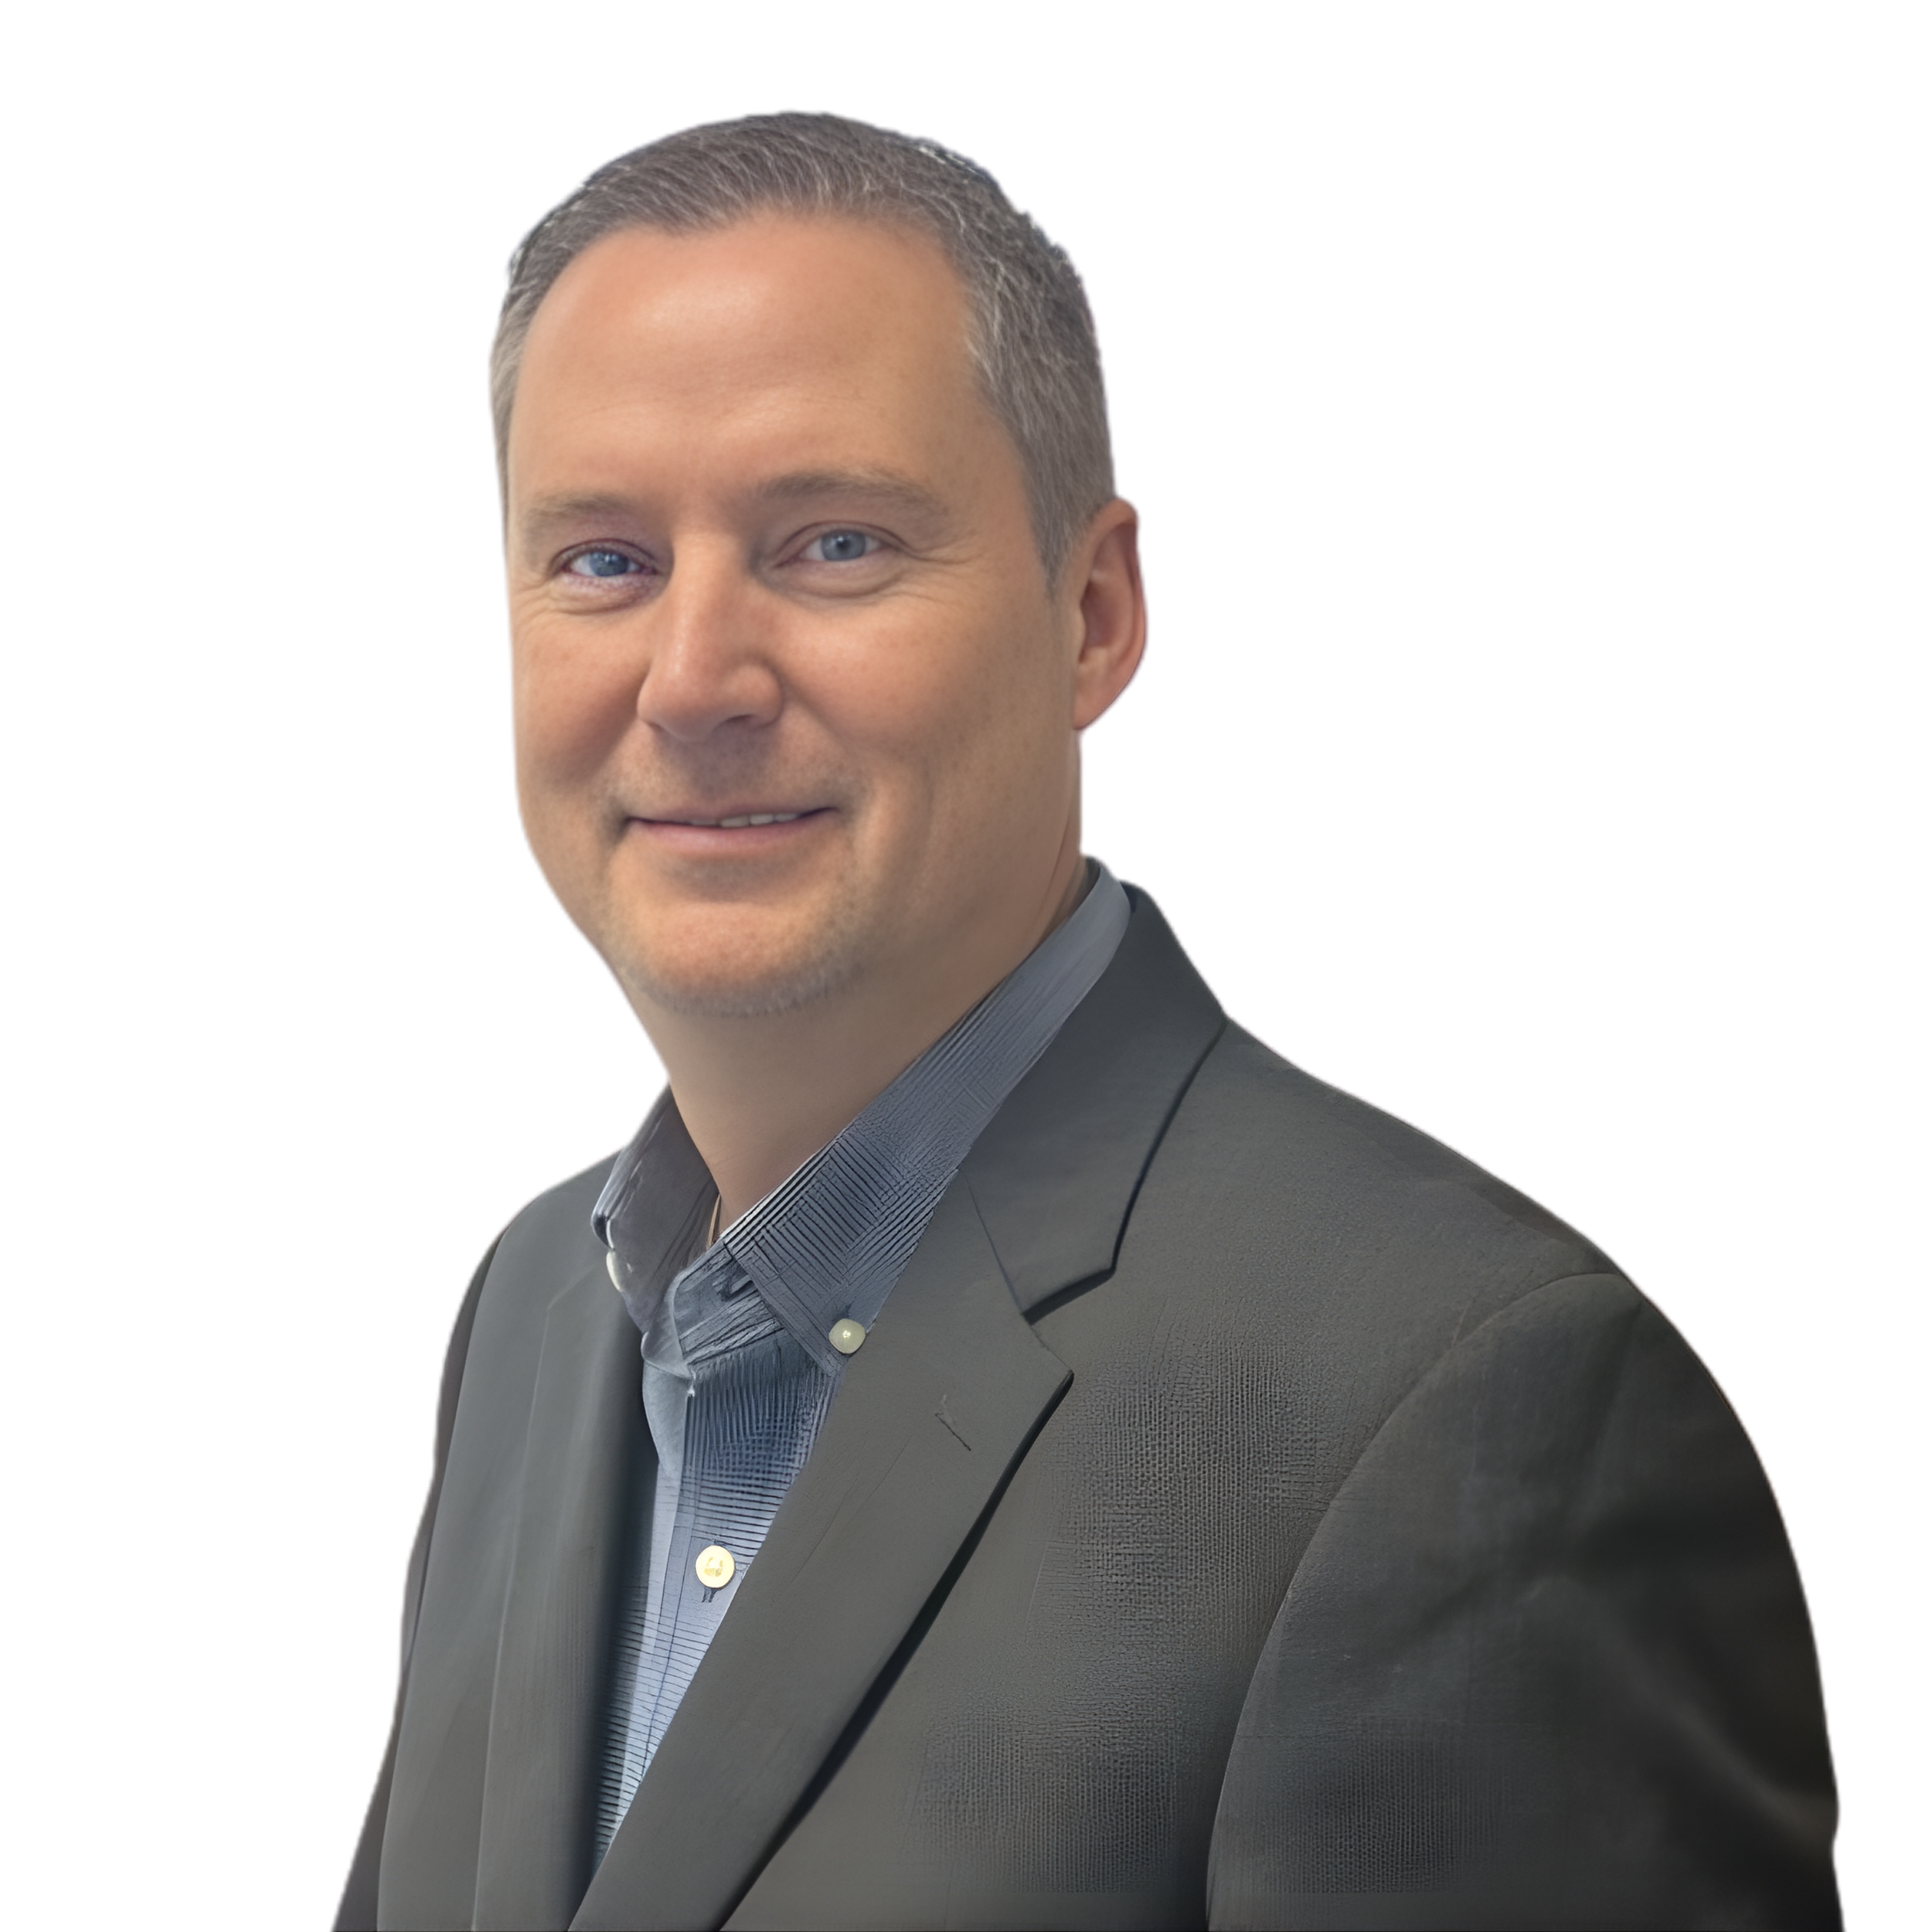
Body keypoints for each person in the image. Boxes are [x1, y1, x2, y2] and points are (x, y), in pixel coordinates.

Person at [337, 113, 1838, 1932]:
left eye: (830, 542)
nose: (692, 676)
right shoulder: (533, 1314)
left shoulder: (1468, 1420)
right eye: (601, 562)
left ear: (1092, 611)